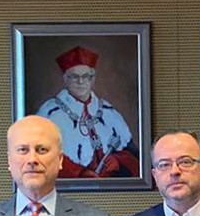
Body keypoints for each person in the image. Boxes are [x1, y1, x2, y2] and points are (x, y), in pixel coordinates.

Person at [35, 45, 137, 178]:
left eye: (85, 76)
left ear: (92, 80)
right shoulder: (50, 112)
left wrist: (117, 160)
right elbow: (41, 156)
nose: (80, 81)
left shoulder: (108, 111)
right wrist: (80, 172)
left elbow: (134, 157)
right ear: (65, 79)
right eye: (74, 77)